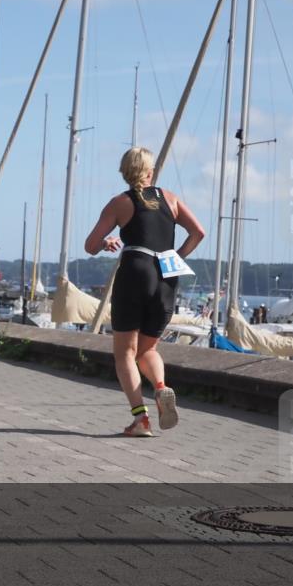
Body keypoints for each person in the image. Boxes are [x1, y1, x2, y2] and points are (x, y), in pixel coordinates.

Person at [84, 147, 204, 437]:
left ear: (125, 172)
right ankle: (161, 387)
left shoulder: (120, 203)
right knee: (147, 349)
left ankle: (141, 420)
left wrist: (107, 243)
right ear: (150, 172)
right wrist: (176, 258)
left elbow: (90, 244)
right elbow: (198, 232)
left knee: (125, 351)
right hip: (166, 274)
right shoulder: (171, 199)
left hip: (136, 269)